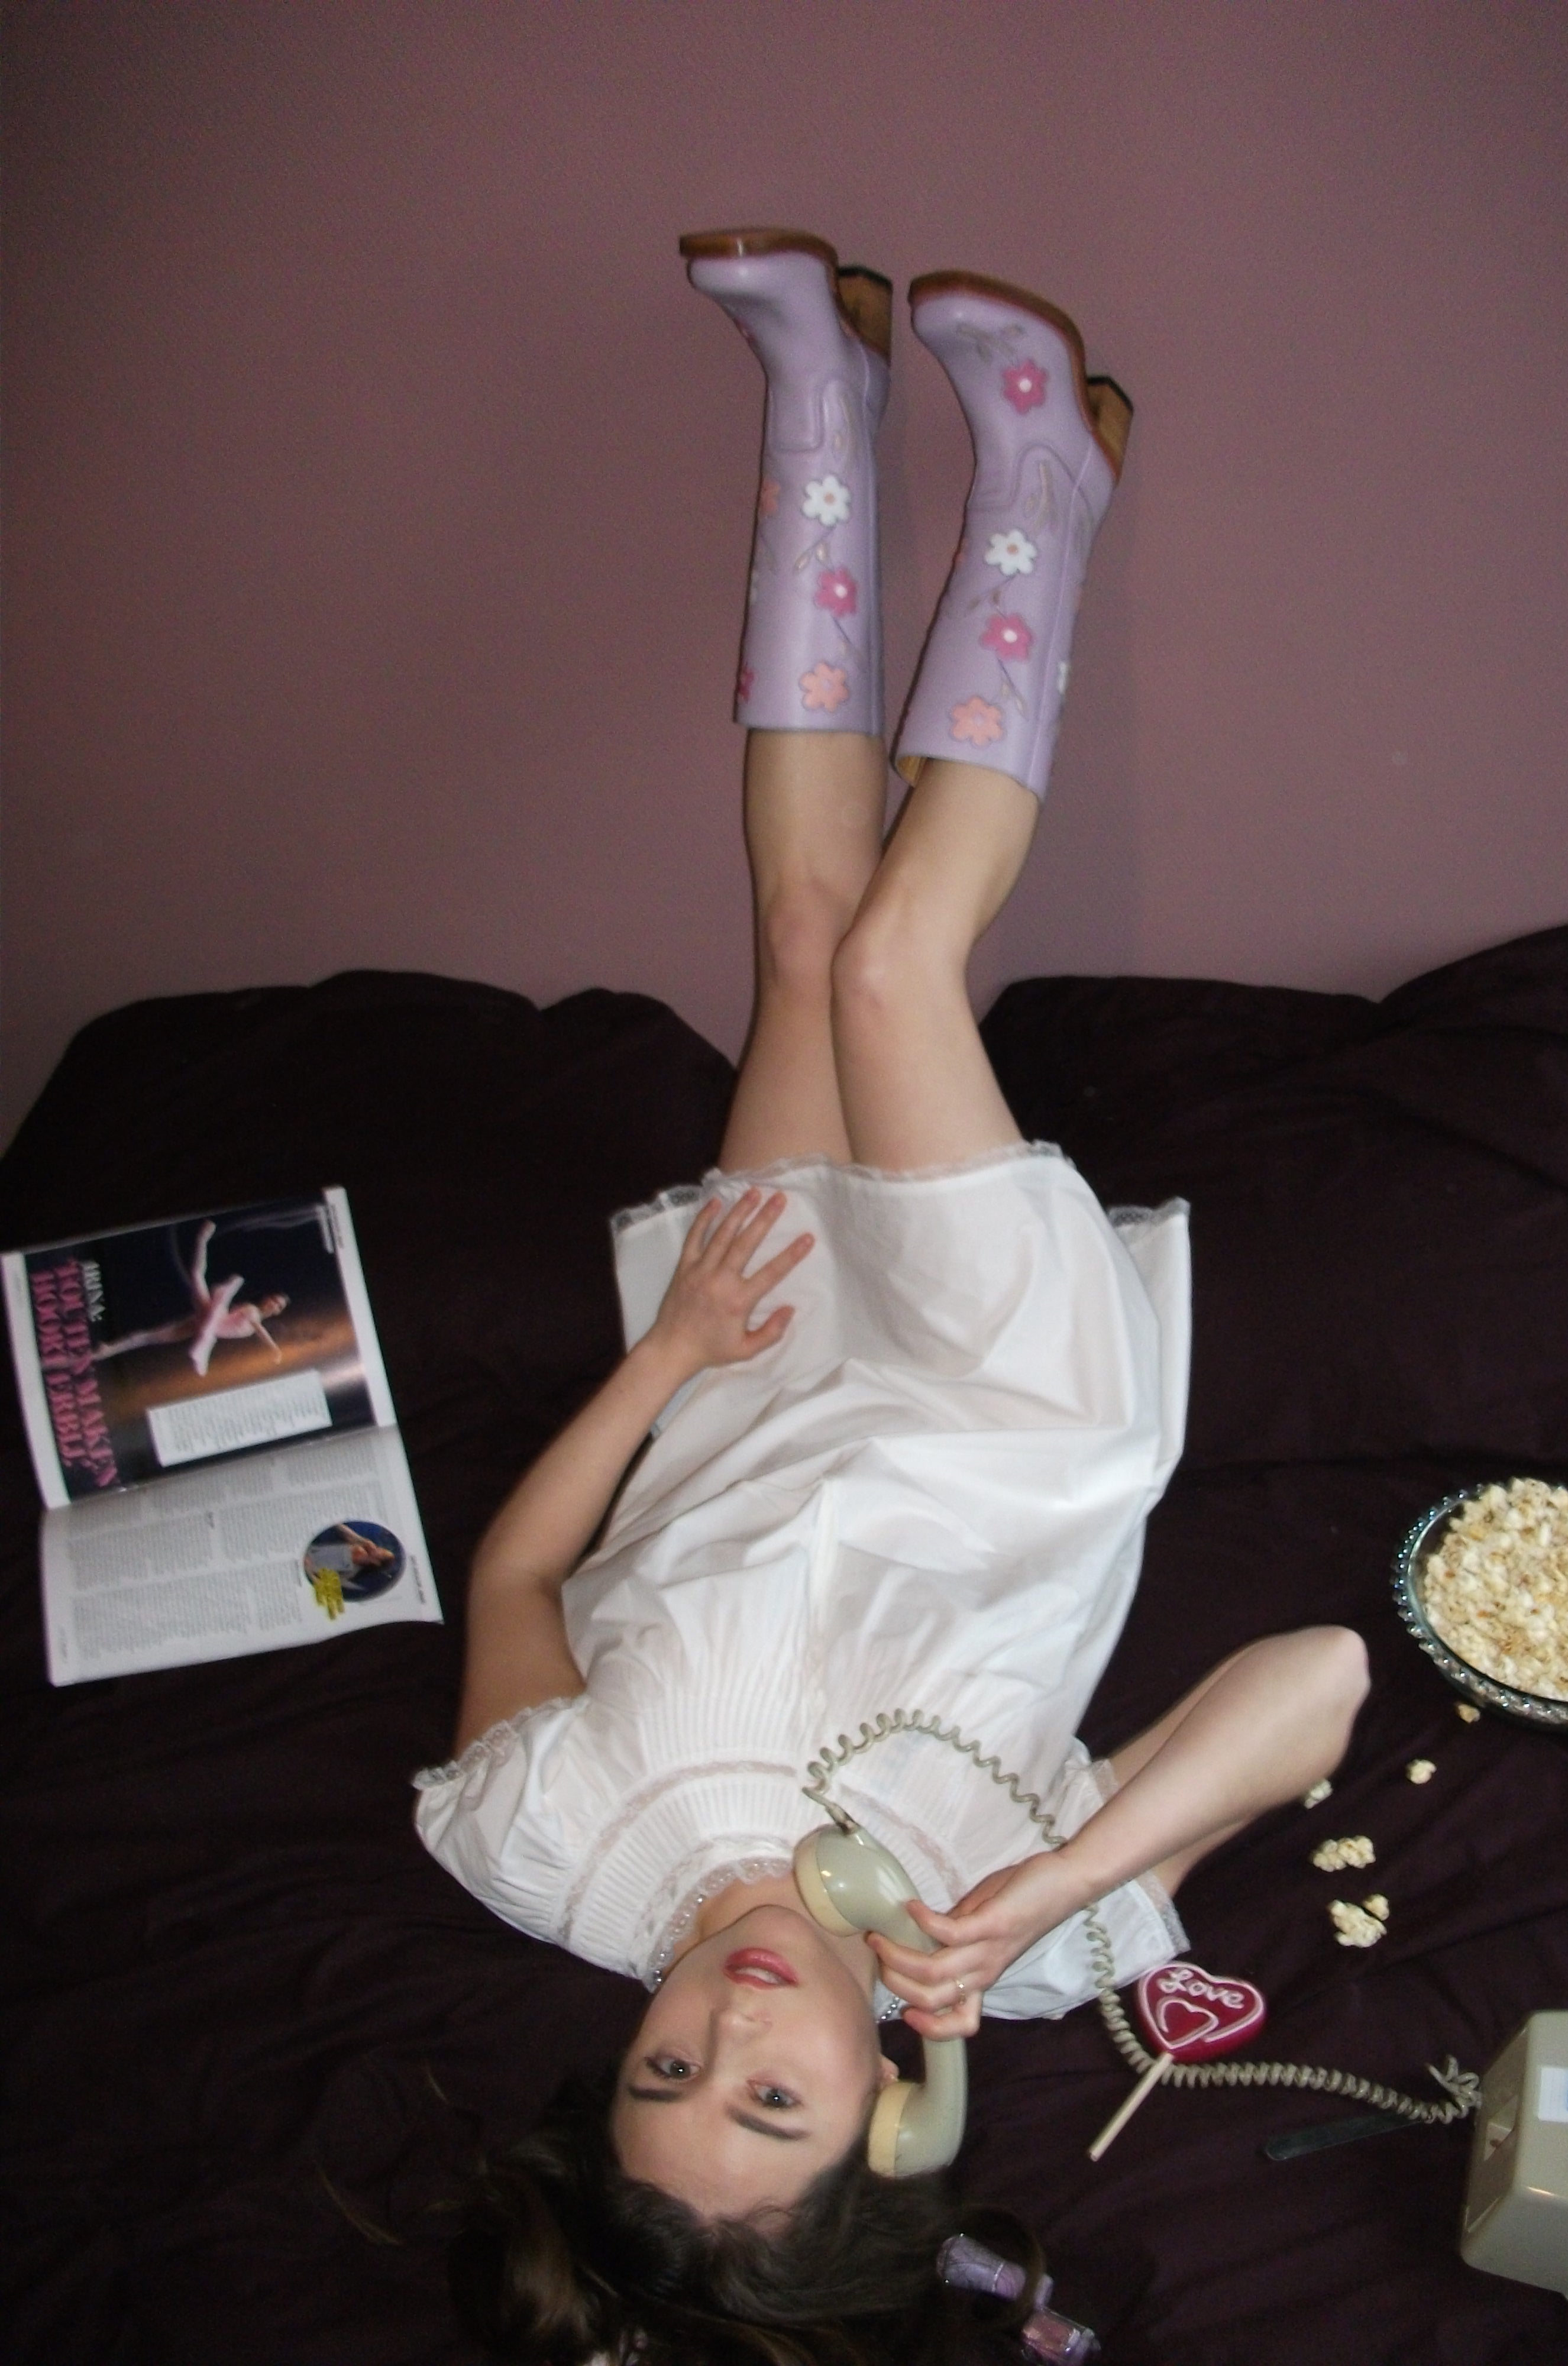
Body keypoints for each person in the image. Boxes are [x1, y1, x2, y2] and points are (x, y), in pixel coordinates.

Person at [415, 228, 1369, 2364]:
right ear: (890, 2118)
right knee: (883, 970)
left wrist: (667, 1353)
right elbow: (1314, 1676)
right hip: (1006, 1407)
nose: (729, 2027)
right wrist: (1065, 1880)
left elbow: (518, 1577)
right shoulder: (1016, 1938)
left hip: (752, 1363)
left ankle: (820, 401)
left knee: (793, 926)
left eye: (667, 2071)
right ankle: (1043, 480)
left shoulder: (540, 1854)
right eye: (772, 2100)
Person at [91, 1218, 289, 1373]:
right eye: (274, 1300)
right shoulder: (253, 1313)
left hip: (204, 1327)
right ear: (267, 1299)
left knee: (152, 1337)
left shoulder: (253, 1321)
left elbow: (244, 1329)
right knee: (196, 1275)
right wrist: (274, 1349)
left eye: (278, 1306)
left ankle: (108, 1350)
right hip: (210, 1315)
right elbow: (259, 1330)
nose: (273, 1304)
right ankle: (202, 1238)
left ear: (277, 1312)